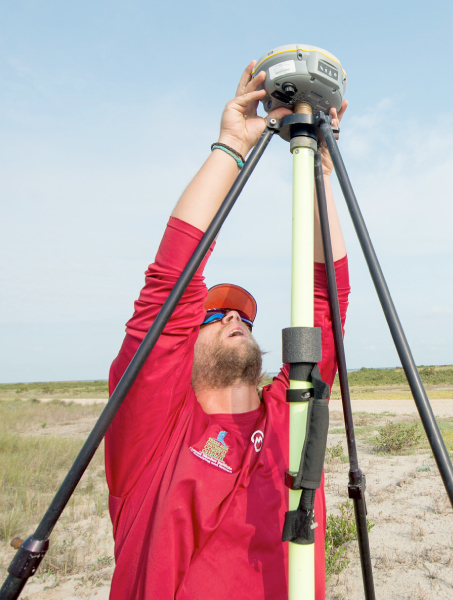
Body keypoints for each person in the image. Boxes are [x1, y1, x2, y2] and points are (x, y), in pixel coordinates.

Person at [104, 61, 350, 600]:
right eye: (212, 316)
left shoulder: (291, 412)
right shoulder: (154, 429)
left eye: (240, 314)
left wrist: (319, 172)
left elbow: (326, 304)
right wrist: (232, 145)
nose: (233, 316)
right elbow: (172, 283)